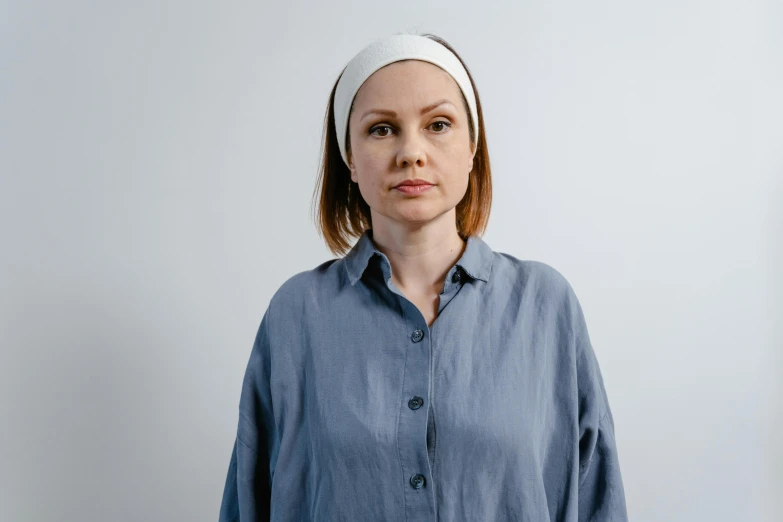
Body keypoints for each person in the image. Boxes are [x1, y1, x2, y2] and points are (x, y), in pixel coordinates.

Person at [218, 32, 628, 521]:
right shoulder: (297, 313)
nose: (411, 152)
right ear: (349, 156)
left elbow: (596, 495)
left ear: (472, 146)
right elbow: (248, 500)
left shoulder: (545, 305)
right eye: (382, 129)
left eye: (438, 124)